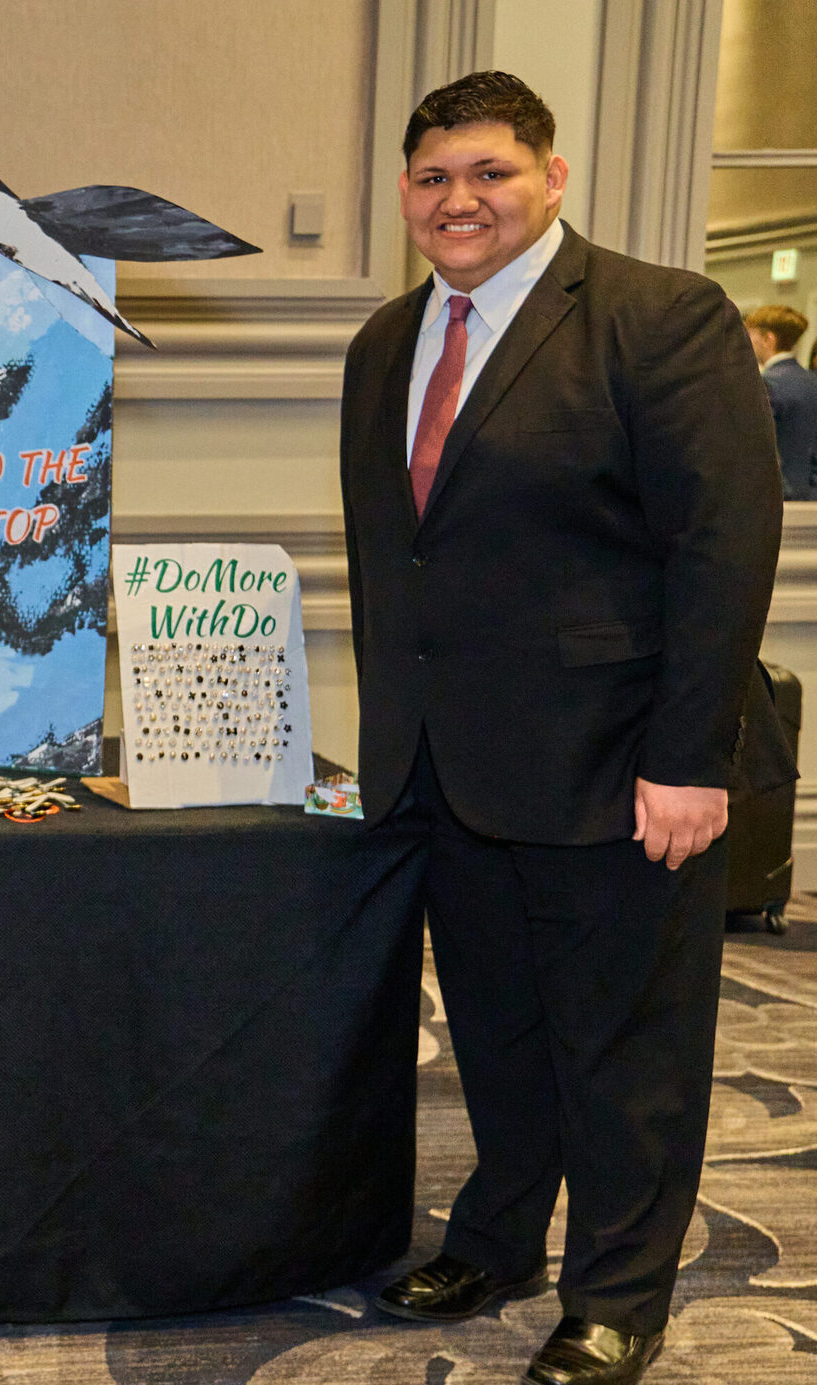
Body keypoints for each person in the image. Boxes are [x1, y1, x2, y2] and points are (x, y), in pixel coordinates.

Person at [340, 73, 792, 1384]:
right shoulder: (384, 341)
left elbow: (721, 548)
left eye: (488, 171)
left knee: (624, 1049)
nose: (458, 199)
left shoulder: (658, 317)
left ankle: (616, 1292)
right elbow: (396, 560)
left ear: (550, 178)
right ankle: (495, 1239)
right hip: (445, 765)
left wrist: (688, 759)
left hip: (616, 767)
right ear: (405, 196)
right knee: (494, 1030)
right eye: (433, 178)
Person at [744, 304, 817, 500]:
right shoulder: (812, 381)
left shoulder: (765, 384)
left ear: (768, 339)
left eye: (751, 335)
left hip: (780, 497)